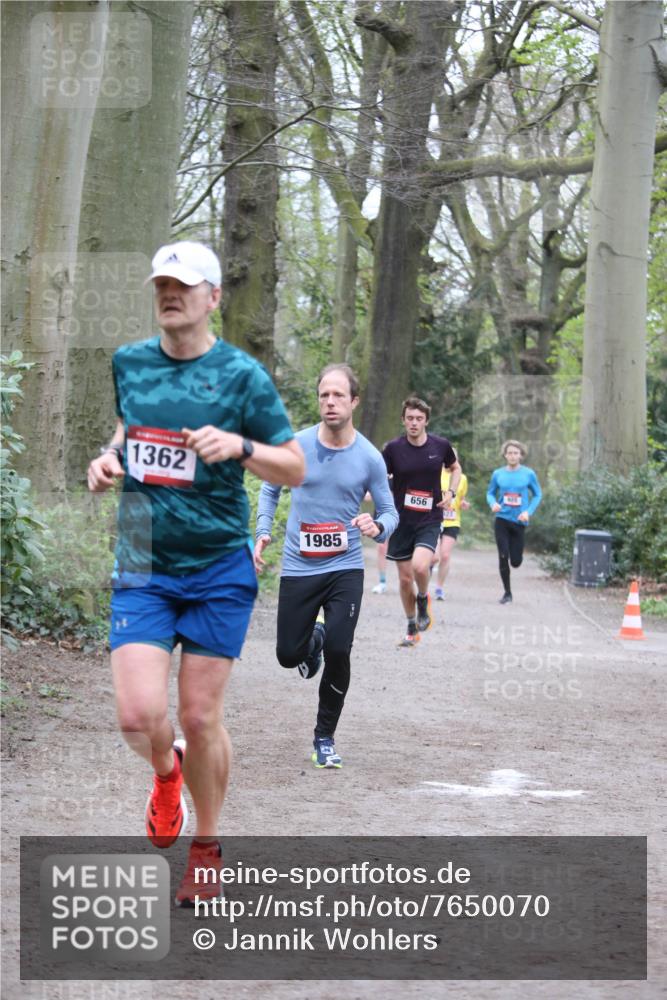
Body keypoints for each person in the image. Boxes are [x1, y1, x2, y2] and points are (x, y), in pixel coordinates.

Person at [87, 240, 304, 907]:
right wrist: (108, 458)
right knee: (137, 713)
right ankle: (164, 773)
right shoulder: (128, 361)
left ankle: (205, 845)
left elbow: (293, 465)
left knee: (199, 714)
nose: (169, 294)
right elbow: (131, 427)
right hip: (142, 550)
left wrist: (240, 447)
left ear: (212, 296)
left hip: (216, 562)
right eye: (160, 285)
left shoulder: (242, 377)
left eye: (182, 285)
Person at [254, 364, 398, 769]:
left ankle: (325, 737)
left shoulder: (369, 457)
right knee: (287, 654)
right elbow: (270, 487)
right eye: (324, 395)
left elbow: (390, 512)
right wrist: (264, 531)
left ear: (354, 401)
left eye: (338, 395)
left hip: (345, 566)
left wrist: (378, 525)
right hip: (300, 565)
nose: (330, 402)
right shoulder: (295, 445)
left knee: (341, 649)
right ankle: (312, 639)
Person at [382, 396, 462, 647]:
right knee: (405, 579)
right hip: (400, 520)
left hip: (429, 518)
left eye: (419, 419)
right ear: (403, 421)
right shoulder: (393, 449)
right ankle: (410, 626)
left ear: (426, 420)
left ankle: (423, 598)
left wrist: (450, 493)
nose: (414, 423)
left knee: (419, 568)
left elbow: (455, 468)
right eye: (409, 419)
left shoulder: (440, 445)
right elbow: (381, 477)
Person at [486, 439, 542, 604]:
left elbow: (538, 494)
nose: (512, 456)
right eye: (509, 453)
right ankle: (507, 593)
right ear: (505, 455)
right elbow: (490, 493)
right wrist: (493, 503)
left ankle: (516, 558)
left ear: (521, 455)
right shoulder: (498, 474)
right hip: (502, 519)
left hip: (519, 521)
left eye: (515, 453)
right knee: (503, 556)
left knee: (515, 561)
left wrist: (528, 512)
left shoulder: (528, 474)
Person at [433, 457, 470, 601]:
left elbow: (461, 498)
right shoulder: (436, 473)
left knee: (445, 555)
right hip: (435, 520)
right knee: (434, 557)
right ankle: (426, 574)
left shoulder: (462, 478)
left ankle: (439, 588)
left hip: (453, 521)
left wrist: (463, 503)